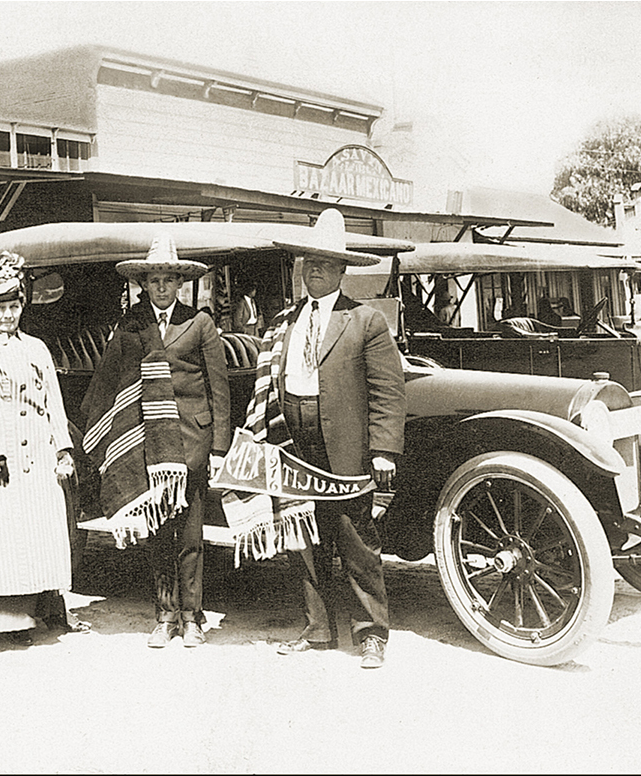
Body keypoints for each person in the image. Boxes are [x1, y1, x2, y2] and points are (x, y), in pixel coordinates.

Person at [243, 208, 405, 669]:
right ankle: (317, 629)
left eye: (325, 262)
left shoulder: (365, 321)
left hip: (347, 445)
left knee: (356, 539)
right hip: (291, 440)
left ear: (342, 270)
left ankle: (370, 634)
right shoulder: (283, 323)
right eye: (308, 261)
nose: (313, 269)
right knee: (302, 538)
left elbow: (388, 391)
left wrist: (384, 449)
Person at [82, 235, 230, 649]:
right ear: (143, 284)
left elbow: (218, 390)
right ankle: (165, 615)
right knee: (158, 535)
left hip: (191, 444)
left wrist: (218, 448)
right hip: (147, 445)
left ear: (180, 283)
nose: (161, 287)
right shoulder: (130, 325)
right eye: (154, 280)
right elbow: (110, 381)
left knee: (191, 535)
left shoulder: (200, 323)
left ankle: (192, 616)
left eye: (168, 279)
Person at [0, 251, 80, 646]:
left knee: (37, 534)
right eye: (0, 309)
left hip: (38, 456)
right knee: (3, 537)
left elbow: (53, 402)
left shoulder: (36, 349)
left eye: (13, 307)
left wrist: (62, 447)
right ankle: (2, 621)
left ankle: (41, 610)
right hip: (1, 460)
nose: (8, 316)